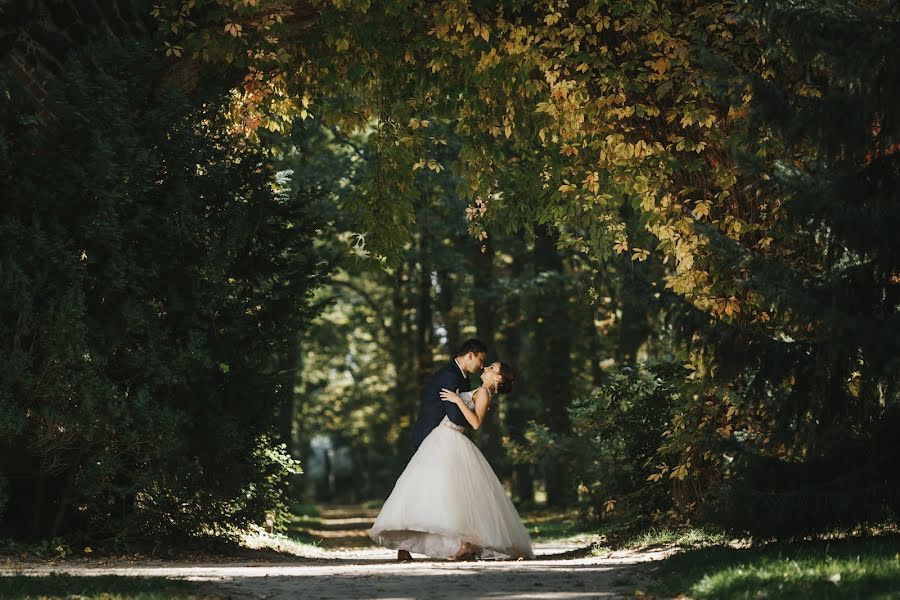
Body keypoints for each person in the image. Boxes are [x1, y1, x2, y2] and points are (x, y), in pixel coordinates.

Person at [369, 341, 535, 561]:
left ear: (497, 379)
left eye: (491, 367)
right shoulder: (458, 379)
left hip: (449, 437)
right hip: (439, 436)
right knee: (437, 493)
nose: (485, 367)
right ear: (470, 355)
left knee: (453, 494)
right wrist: (458, 400)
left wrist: (457, 399)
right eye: (484, 362)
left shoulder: (482, 391)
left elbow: (475, 423)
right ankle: (423, 544)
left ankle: (464, 544)